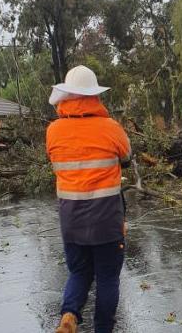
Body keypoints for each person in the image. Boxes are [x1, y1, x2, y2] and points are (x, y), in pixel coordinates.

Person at [46, 65, 131, 333]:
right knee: (107, 278)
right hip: (106, 219)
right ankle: (103, 329)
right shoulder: (110, 127)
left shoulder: (54, 131)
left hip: (71, 219)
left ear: (67, 96)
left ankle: (69, 315)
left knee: (79, 272)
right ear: (94, 96)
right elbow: (126, 156)